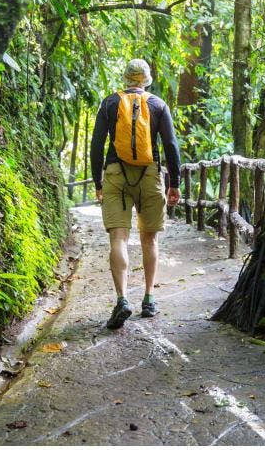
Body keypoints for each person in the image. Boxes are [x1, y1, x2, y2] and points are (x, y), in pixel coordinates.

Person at [90, 58, 181, 329]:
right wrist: (174, 183)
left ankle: (122, 299)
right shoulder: (158, 104)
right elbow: (171, 145)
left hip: (116, 174)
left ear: (126, 78)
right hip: (149, 174)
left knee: (118, 237)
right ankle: (149, 299)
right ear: (146, 79)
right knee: (149, 238)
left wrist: (98, 181)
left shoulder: (109, 103)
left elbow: (97, 145)